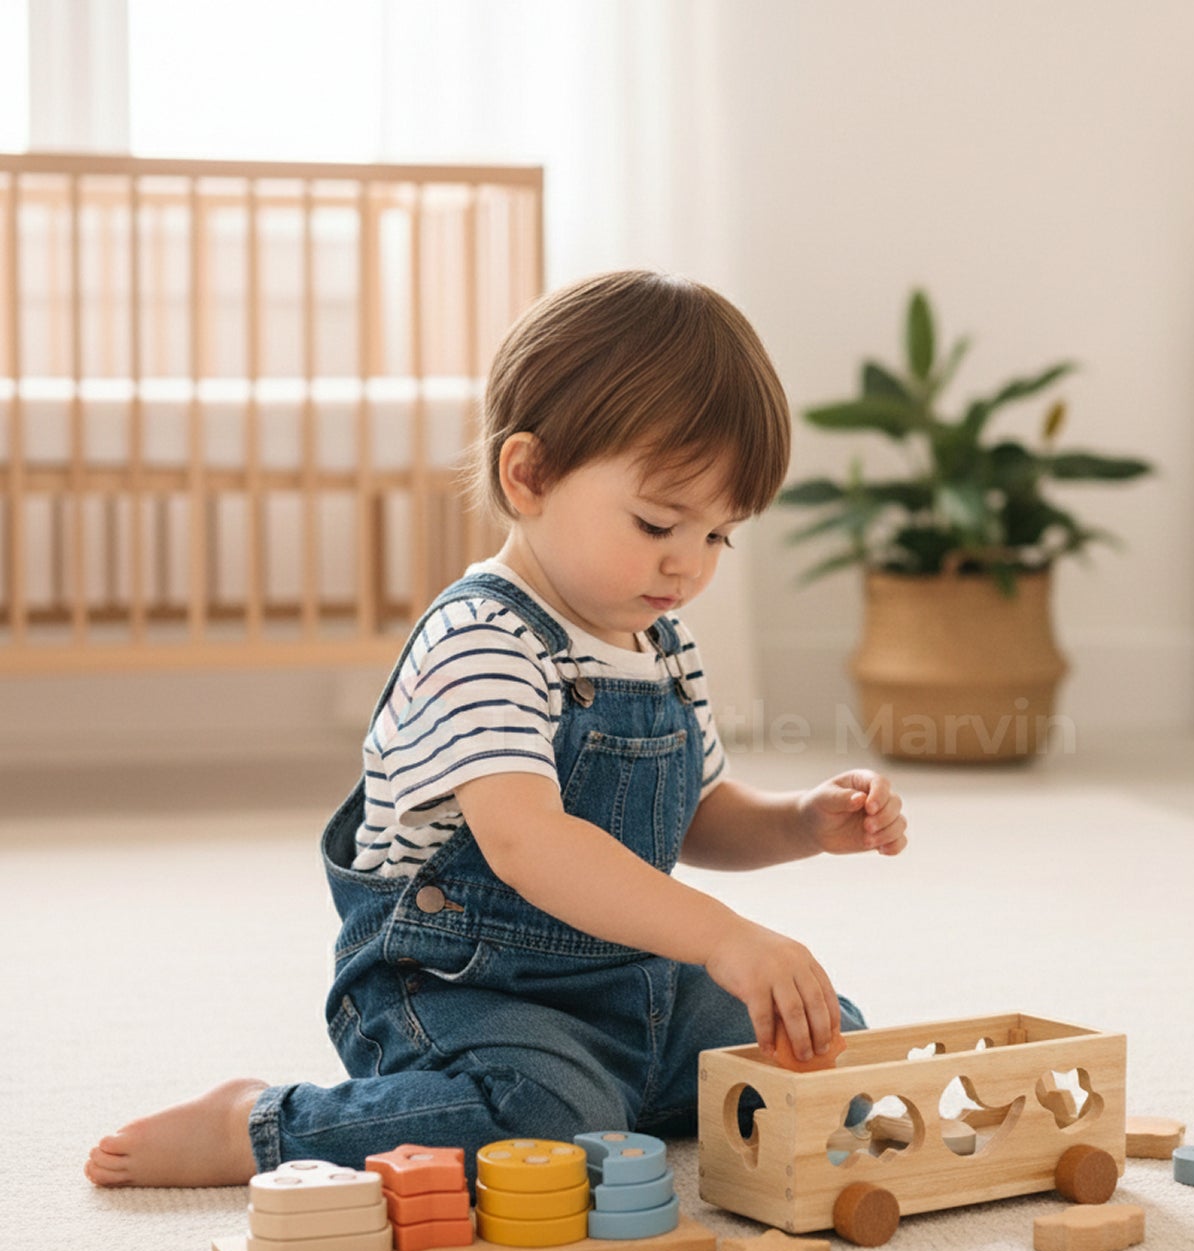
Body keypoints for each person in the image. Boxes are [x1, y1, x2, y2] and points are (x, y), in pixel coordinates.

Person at [85, 269, 908, 1190]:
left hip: (631, 980)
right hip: (463, 989)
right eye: (657, 522)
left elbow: (699, 811)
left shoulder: (662, 643)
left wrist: (799, 820)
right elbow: (528, 844)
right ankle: (263, 1126)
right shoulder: (482, 637)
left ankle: (618, 1083)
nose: (688, 563)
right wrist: (723, 934)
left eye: (720, 536)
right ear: (531, 475)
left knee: (827, 1041)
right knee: (544, 1122)